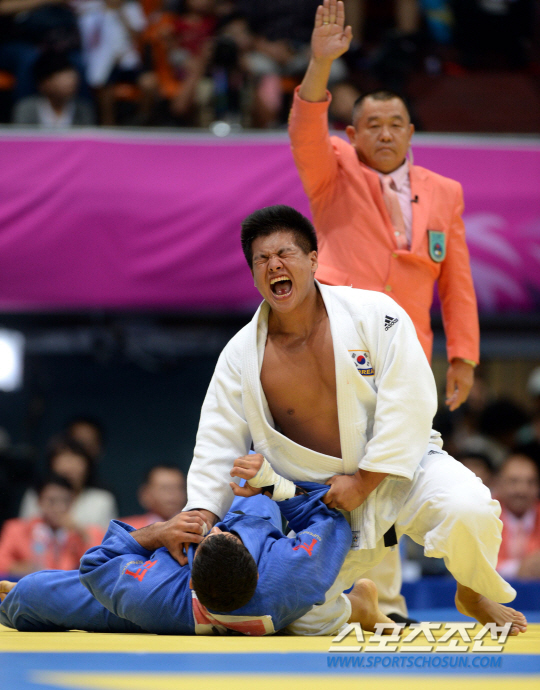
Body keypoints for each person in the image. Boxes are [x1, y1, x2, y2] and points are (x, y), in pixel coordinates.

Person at [183, 204, 526, 635]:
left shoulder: (374, 314)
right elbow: (218, 441)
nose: (273, 266)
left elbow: (411, 401)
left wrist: (365, 480)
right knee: (285, 615)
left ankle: (472, 591)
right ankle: (358, 606)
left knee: (469, 509)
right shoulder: (241, 355)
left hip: (401, 474)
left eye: (285, 253)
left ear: (313, 260)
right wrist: (201, 514)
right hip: (321, 504)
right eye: (261, 259)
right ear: (253, 275)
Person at [288, 0, 479, 413]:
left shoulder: (445, 192)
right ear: (352, 135)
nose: (386, 134)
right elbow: (305, 132)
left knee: (399, 449)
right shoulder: (334, 170)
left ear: (410, 133)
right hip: (337, 337)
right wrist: (321, 63)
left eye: (395, 125)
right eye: (374, 126)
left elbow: (457, 285)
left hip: (407, 350)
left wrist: (463, 357)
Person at [0, 456, 391, 635]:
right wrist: (275, 485)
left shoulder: (155, 594)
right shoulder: (291, 572)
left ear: (189, 570)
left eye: (209, 537)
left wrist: (157, 533)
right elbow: (330, 519)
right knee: (256, 483)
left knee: (34, 594)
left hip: (167, 611)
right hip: (268, 595)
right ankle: (357, 607)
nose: (215, 527)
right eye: (222, 533)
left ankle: (13, 600)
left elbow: (95, 565)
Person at [0, 474, 103, 576]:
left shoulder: (85, 533)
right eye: (51, 501)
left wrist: (81, 533)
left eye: (66, 501)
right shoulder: (16, 529)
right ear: (39, 501)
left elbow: (101, 565)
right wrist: (17, 568)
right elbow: (2, 561)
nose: (59, 507)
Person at [19, 435, 117, 529]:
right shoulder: (35, 494)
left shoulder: (102, 500)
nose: (69, 467)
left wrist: (78, 530)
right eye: (64, 460)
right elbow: (23, 534)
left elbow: (110, 538)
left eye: (75, 460)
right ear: (51, 465)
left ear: (88, 465)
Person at [13, 51, 95, 127]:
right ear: (43, 83)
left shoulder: (84, 109)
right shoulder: (26, 109)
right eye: (63, 79)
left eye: (72, 78)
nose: (70, 83)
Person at [496, 453, 540, 581]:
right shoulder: (481, 516)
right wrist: (518, 569)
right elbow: (471, 563)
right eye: (513, 481)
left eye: (530, 482)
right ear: (498, 484)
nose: (522, 490)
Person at [121, 465, 187, 528]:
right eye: (165, 488)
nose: (172, 494)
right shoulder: (126, 529)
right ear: (145, 494)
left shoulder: (192, 528)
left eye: (179, 488)